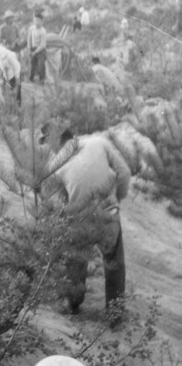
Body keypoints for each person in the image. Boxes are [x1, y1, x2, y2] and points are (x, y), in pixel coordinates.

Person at [44, 127, 130, 314]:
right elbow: (124, 172)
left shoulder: (55, 166)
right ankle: (115, 315)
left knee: (75, 260)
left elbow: (60, 204)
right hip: (108, 213)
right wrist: (116, 200)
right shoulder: (98, 142)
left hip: (80, 219)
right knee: (114, 263)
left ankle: (71, 304)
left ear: (56, 143)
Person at [27, 11, 48, 84]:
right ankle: (30, 79)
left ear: (41, 21)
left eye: (38, 21)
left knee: (41, 65)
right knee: (32, 65)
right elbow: (29, 39)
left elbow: (42, 45)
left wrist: (35, 52)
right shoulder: (31, 29)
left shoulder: (43, 31)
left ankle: (42, 80)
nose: (36, 22)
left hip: (40, 50)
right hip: (33, 48)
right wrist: (29, 49)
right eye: (35, 20)